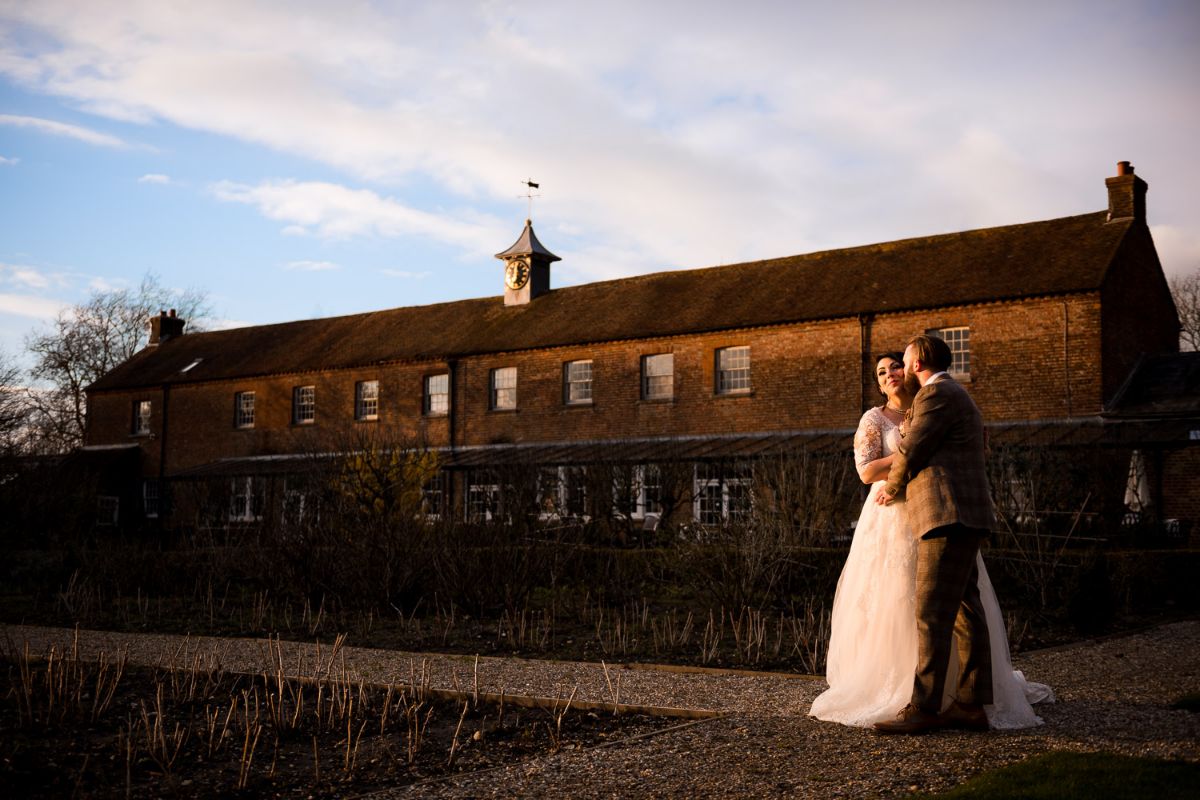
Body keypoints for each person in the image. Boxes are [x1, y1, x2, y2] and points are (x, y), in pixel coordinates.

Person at [809, 348, 1051, 731]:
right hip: (891, 515)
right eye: (880, 372)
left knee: (945, 607)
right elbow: (866, 471)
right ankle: (916, 692)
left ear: (911, 369)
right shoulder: (876, 418)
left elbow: (944, 448)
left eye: (895, 367)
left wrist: (917, 446)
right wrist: (904, 455)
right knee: (913, 603)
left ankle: (947, 700)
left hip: (937, 512)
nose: (889, 374)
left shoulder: (932, 403)